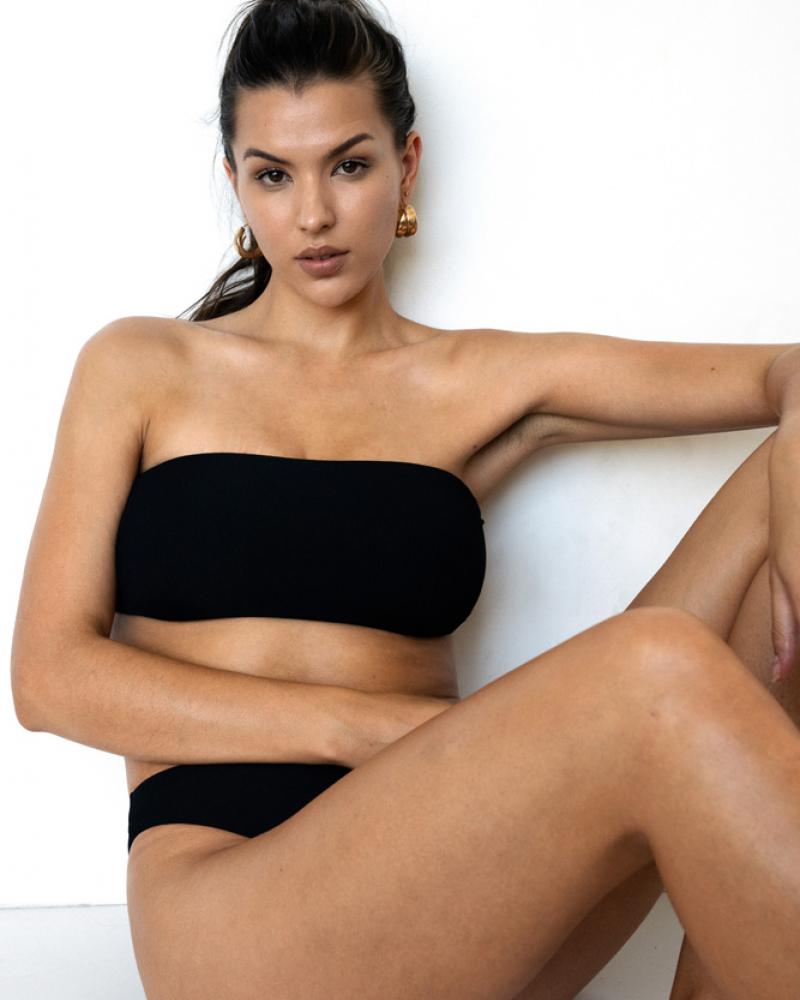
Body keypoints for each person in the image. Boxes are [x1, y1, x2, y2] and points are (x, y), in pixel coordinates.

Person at [10, 1, 800, 997]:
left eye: (347, 165)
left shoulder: (471, 380)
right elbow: (48, 677)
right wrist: (364, 727)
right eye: (272, 175)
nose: (312, 215)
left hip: (467, 890)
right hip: (236, 915)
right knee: (657, 665)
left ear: (405, 164)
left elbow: (785, 372)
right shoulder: (140, 366)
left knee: (772, 509)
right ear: (235, 182)